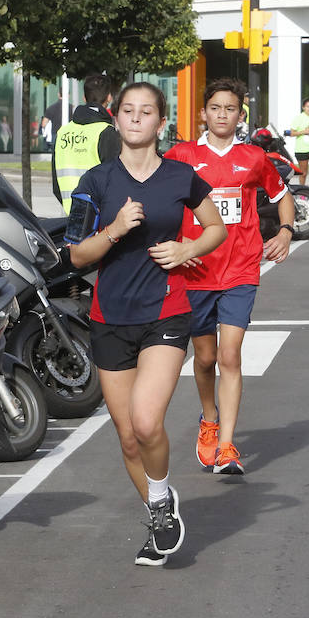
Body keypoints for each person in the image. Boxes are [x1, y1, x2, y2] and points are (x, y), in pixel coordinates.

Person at [66, 81, 227, 567]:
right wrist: (114, 230)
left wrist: (187, 249)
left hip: (165, 309)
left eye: (147, 112)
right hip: (109, 316)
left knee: (146, 421)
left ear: (161, 122)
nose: (136, 119)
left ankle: (158, 495)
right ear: (116, 120)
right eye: (128, 111)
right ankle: (159, 507)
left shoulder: (182, 177)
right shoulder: (95, 181)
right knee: (127, 435)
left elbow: (216, 227)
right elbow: (75, 254)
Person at [169, 78, 296, 476]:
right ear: (203, 113)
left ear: (241, 115)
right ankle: (209, 418)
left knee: (229, 356)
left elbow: (282, 197)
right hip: (197, 270)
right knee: (204, 358)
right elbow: (162, 205)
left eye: (230, 109)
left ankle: (226, 444)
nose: (223, 115)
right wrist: (177, 249)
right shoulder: (181, 156)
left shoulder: (255, 157)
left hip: (241, 269)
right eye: (216, 108)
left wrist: (286, 231)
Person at [53, 74, 121, 214]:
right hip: (98, 219)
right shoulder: (106, 132)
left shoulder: (63, 132)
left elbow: (56, 185)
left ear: (84, 98)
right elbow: (115, 181)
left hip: (70, 216)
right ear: (109, 97)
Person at [288, 98, 309, 189]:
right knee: (303, 173)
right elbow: (291, 133)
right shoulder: (298, 118)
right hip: (302, 148)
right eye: (307, 107)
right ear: (303, 107)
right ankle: (302, 191)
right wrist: (304, 132)